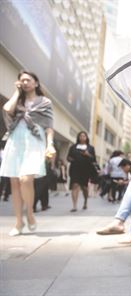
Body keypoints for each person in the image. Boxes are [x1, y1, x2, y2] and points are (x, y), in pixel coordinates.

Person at [0, 70, 55, 236]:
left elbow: (49, 126)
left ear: (36, 83)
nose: (25, 82)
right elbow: (7, 108)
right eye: (21, 80)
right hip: (15, 140)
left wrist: (50, 145)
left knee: (26, 179)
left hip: (35, 140)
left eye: (28, 80)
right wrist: (17, 92)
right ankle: (18, 222)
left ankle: (29, 213)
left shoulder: (45, 102)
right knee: (15, 182)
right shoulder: (18, 101)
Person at [67, 131, 96, 212]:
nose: (82, 137)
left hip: (85, 170)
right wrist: (71, 159)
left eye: (84, 136)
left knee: (84, 188)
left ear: (86, 138)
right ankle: (74, 206)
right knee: (75, 185)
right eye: (80, 136)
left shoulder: (90, 148)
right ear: (78, 137)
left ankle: (85, 202)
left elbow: (93, 159)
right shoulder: (73, 147)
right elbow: (68, 157)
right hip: (75, 169)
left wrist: (88, 155)